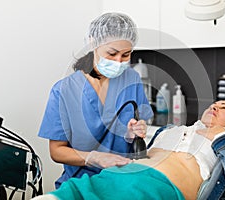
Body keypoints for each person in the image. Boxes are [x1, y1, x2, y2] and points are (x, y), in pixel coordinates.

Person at [35, 100, 225, 200]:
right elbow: (141, 157)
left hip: (156, 188)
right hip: (119, 176)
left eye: (223, 107)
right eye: (213, 104)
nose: (214, 106)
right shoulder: (171, 130)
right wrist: (132, 139)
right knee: (73, 190)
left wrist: (223, 138)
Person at [38, 12, 154, 188]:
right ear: (93, 43)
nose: (118, 61)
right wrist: (93, 158)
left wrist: (134, 131)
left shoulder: (132, 79)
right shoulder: (64, 90)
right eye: (112, 53)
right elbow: (56, 151)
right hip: (80, 183)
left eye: (125, 55)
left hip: (123, 180)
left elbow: (138, 122)